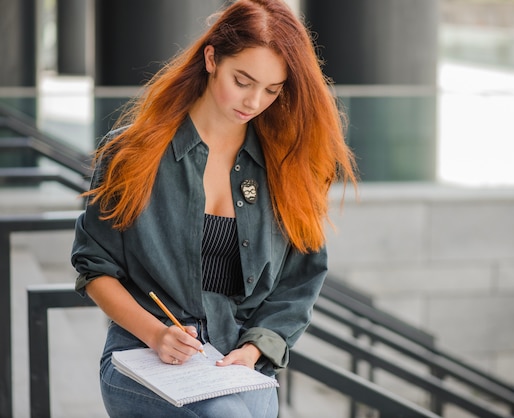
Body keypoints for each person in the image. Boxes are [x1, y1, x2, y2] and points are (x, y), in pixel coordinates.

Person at [71, 0, 357, 416]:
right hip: (142, 352)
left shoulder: (286, 167)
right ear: (211, 59)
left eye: (272, 90)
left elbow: (301, 279)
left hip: (235, 359)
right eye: (243, 80)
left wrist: (257, 346)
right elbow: (94, 268)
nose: (255, 100)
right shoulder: (132, 152)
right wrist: (156, 334)